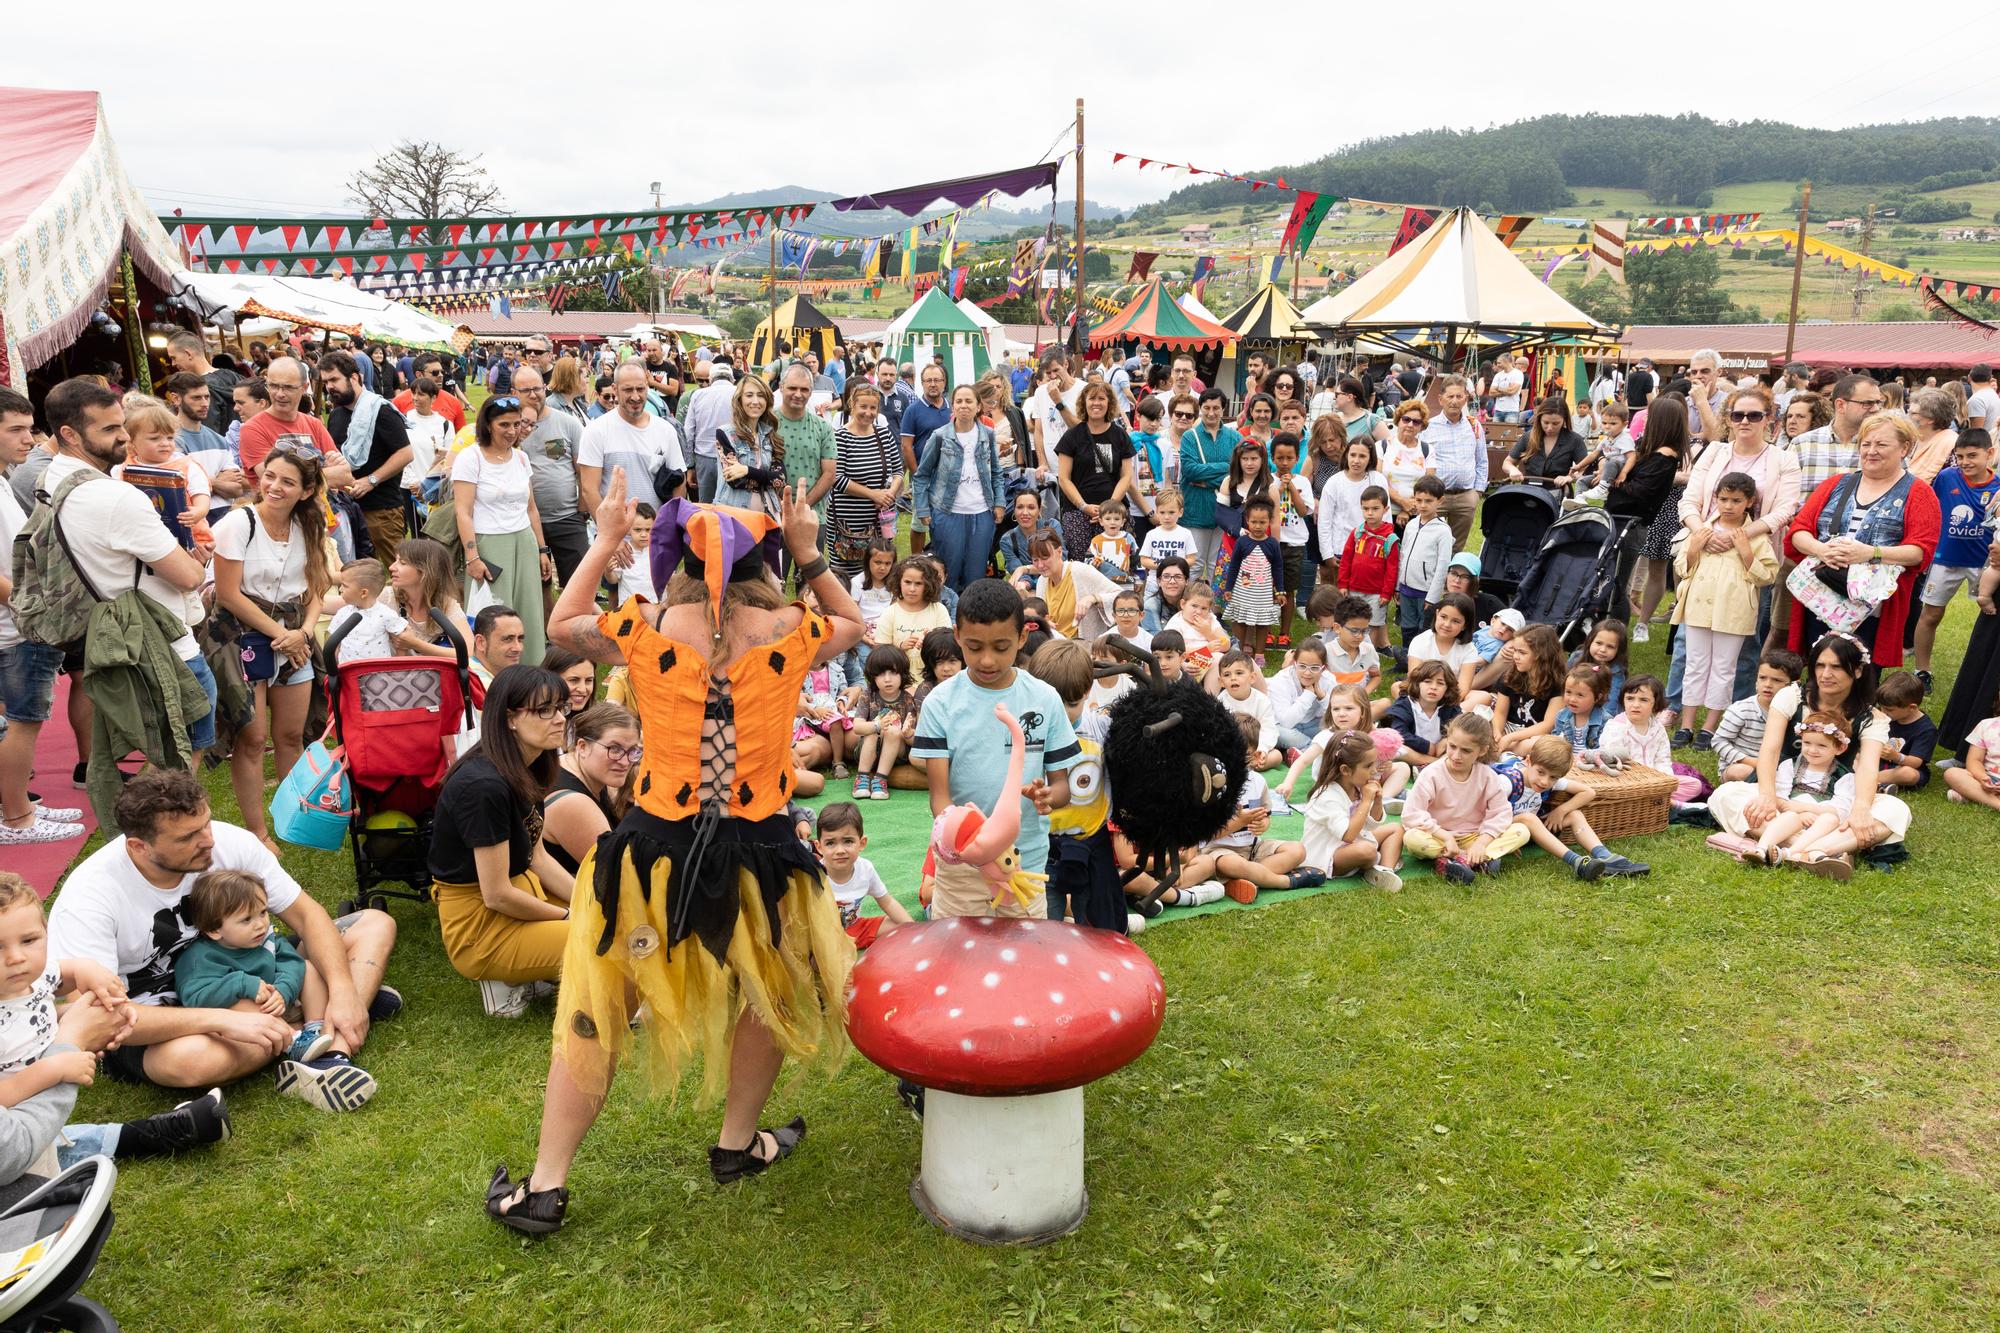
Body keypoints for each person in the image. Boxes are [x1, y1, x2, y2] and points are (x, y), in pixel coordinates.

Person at [487, 477, 865, 1231]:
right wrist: (809, 551)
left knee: (606, 1004)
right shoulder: (793, 625)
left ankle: (546, 1186)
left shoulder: (647, 624)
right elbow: (854, 618)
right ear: (765, 560)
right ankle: (735, 1144)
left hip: (656, 851)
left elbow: (562, 622)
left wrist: (601, 539)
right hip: (760, 850)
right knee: (768, 992)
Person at [46, 769, 395, 1107]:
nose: (208, 840)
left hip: (248, 964)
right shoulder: (90, 897)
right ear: (139, 846)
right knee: (191, 1062)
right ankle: (313, 1028)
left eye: (206, 823)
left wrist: (345, 990)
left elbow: (306, 915)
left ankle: (329, 1054)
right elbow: (100, 1017)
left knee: (374, 924)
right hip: (161, 1020)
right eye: (187, 837)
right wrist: (223, 1020)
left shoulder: (225, 842)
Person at [30, 379, 214, 804]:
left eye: (122, 425)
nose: (124, 437)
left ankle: (151, 833)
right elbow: (186, 576)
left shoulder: (52, 476)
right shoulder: (115, 496)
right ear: (70, 434)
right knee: (180, 760)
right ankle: (164, 841)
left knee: (161, 757)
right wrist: (198, 557)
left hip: (109, 632)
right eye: (110, 429)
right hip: (161, 642)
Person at [911, 578, 1076, 919]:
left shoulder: (1044, 699)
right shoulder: (941, 703)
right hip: (961, 867)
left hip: (1023, 863)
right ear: (957, 636)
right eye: (974, 647)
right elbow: (940, 801)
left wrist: (1048, 796)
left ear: (1022, 637)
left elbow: (1062, 787)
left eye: (1001, 648)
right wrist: (972, 848)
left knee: (1023, 959)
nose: (987, 660)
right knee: (958, 955)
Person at [429, 665, 576, 1017]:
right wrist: (571, 916)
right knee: (609, 941)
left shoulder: (530, 765)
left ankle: (532, 969)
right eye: (544, 711)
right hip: (480, 929)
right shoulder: (483, 787)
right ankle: (503, 976)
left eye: (561, 708)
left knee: (609, 917)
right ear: (510, 719)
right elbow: (495, 895)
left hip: (518, 895)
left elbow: (537, 858)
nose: (559, 719)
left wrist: (590, 902)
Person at [1707, 632, 1912, 875]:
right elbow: (1770, 749)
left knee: (1896, 809)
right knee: (1726, 794)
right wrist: (1767, 796)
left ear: (1857, 671)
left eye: (1836, 667)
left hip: (1834, 799)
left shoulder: (1871, 717)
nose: (1826, 674)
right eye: (1820, 665)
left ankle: (1788, 846)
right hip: (1783, 787)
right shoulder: (1791, 696)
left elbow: (1868, 767)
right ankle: (1823, 851)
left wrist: (1861, 809)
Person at [210, 447, 334, 847]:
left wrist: (305, 632)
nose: (273, 487)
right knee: (251, 737)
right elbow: (228, 594)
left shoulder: (309, 526)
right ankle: (258, 831)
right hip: (242, 638)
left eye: (287, 481)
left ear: (306, 490)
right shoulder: (237, 523)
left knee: (291, 735)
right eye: (270, 476)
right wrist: (283, 637)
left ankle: (293, 817)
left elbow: (317, 587)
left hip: (295, 637)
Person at [1783, 412, 1941, 668]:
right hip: (1820, 598)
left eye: (1881, 444)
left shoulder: (1920, 493)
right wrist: (1821, 550)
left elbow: (1920, 552)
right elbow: (1798, 531)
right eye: (1866, 444)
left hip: (1872, 610)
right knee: (1819, 673)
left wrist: (1870, 553)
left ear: (1904, 448)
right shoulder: (1835, 484)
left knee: (1861, 675)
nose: (1871, 451)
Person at [1673, 471, 1780, 745]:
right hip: (1698, 607)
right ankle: (1686, 724)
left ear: (1749, 502)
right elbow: (1682, 568)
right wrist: (1694, 548)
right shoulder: (1702, 530)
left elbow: (1767, 575)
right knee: (1695, 664)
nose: (1728, 506)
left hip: (1733, 612)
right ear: (1715, 499)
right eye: (1723, 499)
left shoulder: (1754, 537)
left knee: (1724, 667)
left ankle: (1709, 727)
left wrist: (1746, 553)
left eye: (1735, 500)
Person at [455, 395, 555, 665]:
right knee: (494, 616)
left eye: (516, 424)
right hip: (489, 544)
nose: (512, 431)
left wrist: (542, 549)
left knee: (530, 613)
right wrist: (472, 557)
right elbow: (463, 512)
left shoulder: (521, 458)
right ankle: (492, 679)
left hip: (524, 542)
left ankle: (532, 674)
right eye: (504, 425)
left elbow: (531, 508)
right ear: (488, 425)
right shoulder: (470, 458)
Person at [1913, 430, 1999, 689]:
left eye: (1972, 455)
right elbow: (1930, 510)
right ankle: (1922, 671)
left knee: (1990, 617)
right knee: (1931, 615)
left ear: (1990, 454)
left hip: (1984, 564)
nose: (1965, 462)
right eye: (1960, 456)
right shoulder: (1946, 477)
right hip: (1944, 560)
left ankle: (1987, 675)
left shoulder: (1998, 486)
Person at [1400, 713, 1527, 884]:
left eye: (1466, 750)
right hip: (1439, 836)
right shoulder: (1431, 773)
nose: (1456, 755)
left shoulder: (1487, 776)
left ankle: (1458, 861)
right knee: (1412, 839)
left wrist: (1482, 842)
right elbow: (1412, 814)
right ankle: (1476, 860)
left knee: (1521, 832)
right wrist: (1445, 836)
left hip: (1474, 836)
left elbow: (1501, 813)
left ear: (1482, 750)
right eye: (1452, 746)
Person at [1606, 396, 1689, 640]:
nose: (1646, 420)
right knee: (1611, 580)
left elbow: (1640, 493)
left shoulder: (1665, 457)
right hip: (1621, 519)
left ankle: (1614, 638)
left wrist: (1613, 483)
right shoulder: (1648, 449)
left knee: (1617, 585)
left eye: (1651, 417)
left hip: (1633, 524)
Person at [320, 351, 413, 561]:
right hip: (346, 507)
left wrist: (372, 480)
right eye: (326, 382)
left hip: (382, 509)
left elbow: (406, 453)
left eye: (334, 379)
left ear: (354, 377)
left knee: (400, 572)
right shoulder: (335, 415)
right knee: (359, 575)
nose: (329, 387)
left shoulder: (380, 410)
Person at [913, 384, 1004, 593]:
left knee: (976, 575)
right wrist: (923, 510)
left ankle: (972, 620)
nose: (964, 405)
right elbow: (921, 476)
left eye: (969, 401)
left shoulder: (988, 435)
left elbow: (997, 472)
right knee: (947, 574)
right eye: (959, 401)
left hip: (982, 513)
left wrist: (999, 502)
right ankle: (946, 619)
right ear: (952, 406)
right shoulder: (939, 436)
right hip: (947, 513)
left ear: (978, 406)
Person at [509, 366, 589, 588]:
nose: (534, 395)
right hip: (523, 521)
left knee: (578, 586)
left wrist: (582, 512)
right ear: (513, 392)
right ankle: (543, 624)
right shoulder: (506, 427)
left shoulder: (567, 423)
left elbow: (583, 471)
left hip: (567, 519)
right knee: (536, 588)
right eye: (526, 390)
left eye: (538, 388)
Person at [577, 362, 687, 516]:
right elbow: (589, 490)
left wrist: (668, 530)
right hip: (613, 534)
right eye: (628, 390)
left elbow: (679, 485)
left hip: (656, 534)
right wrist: (609, 533)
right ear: (615, 389)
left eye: (640, 389)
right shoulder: (596, 430)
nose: (635, 396)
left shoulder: (665, 430)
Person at [542, 701, 638, 877]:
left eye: (632, 751)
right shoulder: (573, 803)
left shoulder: (569, 765)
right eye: (614, 749)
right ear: (582, 746)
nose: (625, 762)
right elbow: (620, 876)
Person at [234, 358, 351, 490]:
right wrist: (327, 473)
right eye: (273, 386)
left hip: (321, 509)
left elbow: (345, 476)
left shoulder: (314, 424)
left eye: (288, 387)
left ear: (304, 388)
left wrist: (301, 478)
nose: (279, 394)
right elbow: (278, 485)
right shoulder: (252, 429)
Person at [827, 382, 903, 582]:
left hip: (880, 521)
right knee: (846, 580)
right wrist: (873, 494)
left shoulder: (884, 435)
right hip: (848, 524)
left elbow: (898, 472)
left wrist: (889, 495)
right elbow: (837, 479)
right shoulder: (840, 437)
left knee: (878, 576)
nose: (868, 412)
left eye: (873, 408)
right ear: (852, 405)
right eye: (864, 406)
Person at [1053, 380, 1137, 560]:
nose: (1096, 403)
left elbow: (1126, 476)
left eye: (1101, 398)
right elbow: (1064, 478)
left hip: (1114, 514)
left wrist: (1108, 507)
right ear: (1084, 402)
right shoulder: (1072, 436)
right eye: (1091, 398)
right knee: (1081, 564)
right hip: (1078, 514)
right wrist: (1083, 506)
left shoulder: (1120, 435)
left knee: (1116, 564)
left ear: (1110, 403)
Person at [815, 801, 912, 949]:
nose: (840, 850)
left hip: (855, 929)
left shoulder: (865, 869)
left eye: (848, 841)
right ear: (819, 847)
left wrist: (913, 928)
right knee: (816, 957)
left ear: (861, 843)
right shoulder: (814, 874)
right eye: (830, 843)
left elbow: (887, 901)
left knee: (898, 926)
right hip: (822, 935)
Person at [161, 372, 246, 522]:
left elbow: (236, 489)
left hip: (227, 517)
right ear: (176, 398)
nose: (204, 403)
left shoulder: (219, 439)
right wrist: (216, 481)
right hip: (193, 521)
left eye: (207, 397)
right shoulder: (167, 440)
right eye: (196, 398)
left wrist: (200, 482)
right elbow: (181, 490)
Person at [1713, 650, 1803, 784]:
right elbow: (1718, 741)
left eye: (1777, 680)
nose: (1767, 684)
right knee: (1740, 772)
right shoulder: (1742, 709)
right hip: (1744, 765)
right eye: (1762, 678)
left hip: (1780, 768)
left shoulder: (1797, 712)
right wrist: (1752, 762)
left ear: (1794, 684)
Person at [1179, 388, 1240, 576]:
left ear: (1223, 409)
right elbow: (1190, 471)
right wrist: (1225, 467)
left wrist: (1209, 481)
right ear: (1200, 408)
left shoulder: (1235, 438)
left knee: (1218, 565)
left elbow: (1239, 474)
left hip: (1225, 511)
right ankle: (1189, 604)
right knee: (1194, 564)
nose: (1211, 413)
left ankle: (1216, 605)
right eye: (1206, 407)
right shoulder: (1190, 436)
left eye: (1216, 408)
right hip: (1195, 509)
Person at [1420, 375, 1485, 549]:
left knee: (1456, 546)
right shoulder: (1428, 427)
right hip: (1436, 497)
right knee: (1430, 544)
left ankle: (1452, 575)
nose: (1455, 401)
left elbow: (1481, 460)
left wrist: (1477, 492)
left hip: (1465, 496)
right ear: (1441, 399)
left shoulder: (1474, 426)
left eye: (1459, 396)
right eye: (1450, 396)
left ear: (1466, 398)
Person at [388, 537, 473, 661]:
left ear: (425, 571)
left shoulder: (446, 604)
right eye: (395, 561)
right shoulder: (384, 597)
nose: (391, 567)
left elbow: (469, 652)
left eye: (402, 563)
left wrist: (416, 644)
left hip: (430, 676)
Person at [1029, 530, 1121, 642]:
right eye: (1035, 560)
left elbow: (1121, 596)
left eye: (1045, 558)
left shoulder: (1079, 571)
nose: (1040, 565)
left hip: (1083, 649)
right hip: (1054, 647)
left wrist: (1093, 598)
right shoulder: (1042, 581)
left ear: (1059, 552)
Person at [774, 363, 838, 519]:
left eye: (804, 389)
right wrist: (781, 507)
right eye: (792, 388)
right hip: (773, 514)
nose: (798, 394)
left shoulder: (823, 427)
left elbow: (830, 473)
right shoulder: (766, 424)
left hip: (813, 515)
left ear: (811, 392)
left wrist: (802, 506)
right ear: (781, 387)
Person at [1397, 477, 1453, 650]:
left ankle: (1421, 659)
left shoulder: (1443, 531)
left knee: (1424, 627)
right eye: (1419, 500)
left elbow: (1443, 566)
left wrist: (1433, 596)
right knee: (1407, 624)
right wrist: (1398, 586)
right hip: (1406, 588)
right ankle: (1405, 656)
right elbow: (1403, 555)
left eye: (1428, 501)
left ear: (1440, 500)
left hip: (1425, 592)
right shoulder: (1411, 525)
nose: (1423, 505)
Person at [679, 361, 736, 503]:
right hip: (734, 457)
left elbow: (688, 432)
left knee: (706, 505)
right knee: (732, 503)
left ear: (711, 379)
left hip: (705, 458)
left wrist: (690, 465)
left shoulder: (698, 395)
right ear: (732, 378)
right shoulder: (739, 393)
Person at [165, 331, 241, 436]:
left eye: (174, 358)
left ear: (188, 354)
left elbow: (207, 434)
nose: (173, 364)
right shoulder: (235, 376)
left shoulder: (200, 391)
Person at [1503, 397, 1588, 491]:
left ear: (1564, 419)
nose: (1550, 428)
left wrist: (1568, 478)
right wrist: (1512, 470)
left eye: (1555, 423)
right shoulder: (1528, 437)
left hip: (1558, 492)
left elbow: (1584, 470)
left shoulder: (1575, 440)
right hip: (1528, 492)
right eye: (1546, 422)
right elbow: (1507, 462)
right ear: (1539, 419)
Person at [1873, 670, 1936, 792]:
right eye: (1881, 707)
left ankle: (1865, 779)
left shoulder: (1926, 729)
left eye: (1889, 710)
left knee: (1908, 774)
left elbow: (1916, 762)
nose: (1883, 712)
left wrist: (1896, 757)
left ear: (1912, 707)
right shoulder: (1886, 716)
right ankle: (1879, 784)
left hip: (1903, 767)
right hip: (1878, 763)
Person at [1942, 682, 2000, 811]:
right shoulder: (1986, 725)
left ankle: (1973, 795)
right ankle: (1995, 802)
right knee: (1952, 773)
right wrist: (1982, 778)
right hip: (1989, 779)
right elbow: (1974, 760)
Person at [392, 355, 467, 434]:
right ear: (419, 375)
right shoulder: (399, 402)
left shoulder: (453, 401)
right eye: (435, 373)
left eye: (442, 372)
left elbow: (461, 435)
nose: (441, 375)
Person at [471, 605, 527, 690]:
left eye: (520, 639)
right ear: (481, 642)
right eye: (508, 639)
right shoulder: (475, 685)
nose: (518, 648)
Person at [1488, 354, 1525, 424]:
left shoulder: (1518, 374)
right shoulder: (1498, 375)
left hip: (1512, 411)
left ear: (1506, 361)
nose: (1498, 365)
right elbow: (1491, 393)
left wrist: (1498, 388)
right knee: (1495, 434)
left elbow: (1512, 391)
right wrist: (1507, 390)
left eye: (1499, 363)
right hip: (1498, 410)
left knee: (1510, 434)